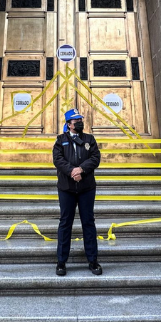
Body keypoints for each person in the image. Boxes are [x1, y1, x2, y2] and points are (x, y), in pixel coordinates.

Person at [52, 109, 102, 276]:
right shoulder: (61, 140)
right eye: (76, 120)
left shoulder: (89, 139)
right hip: (66, 188)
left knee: (88, 222)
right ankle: (61, 261)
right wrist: (72, 171)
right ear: (69, 124)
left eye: (81, 119)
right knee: (65, 223)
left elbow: (95, 158)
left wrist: (81, 169)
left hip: (86, 188)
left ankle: (93, 260)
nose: (80, 122)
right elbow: (57, 159)